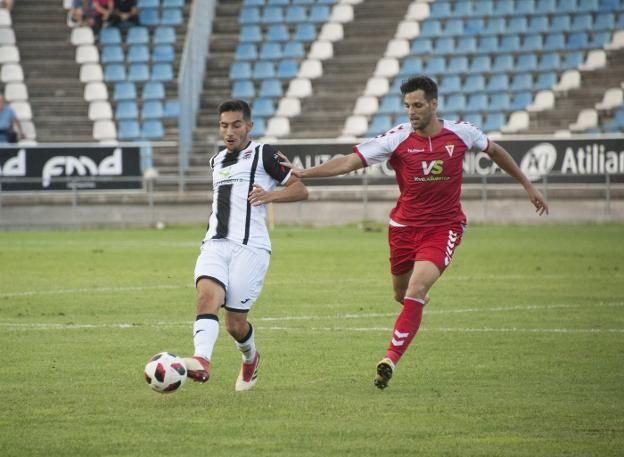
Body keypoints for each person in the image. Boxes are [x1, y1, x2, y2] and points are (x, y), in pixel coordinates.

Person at [279, 75, 549, 390]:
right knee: (400, 293)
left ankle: (389, 359)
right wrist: (305, 172)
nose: (412, 111)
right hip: (403, 229)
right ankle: (414, 304)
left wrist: (527, 185)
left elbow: (495, 150)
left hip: (443, 227)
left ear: (434, 104)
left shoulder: (461, 134)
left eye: (418, 105)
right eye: (407, 105)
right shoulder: (396, 139)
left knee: (415, 290)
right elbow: (349, 162)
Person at [182, 99, 308, 392]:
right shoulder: (216, 161)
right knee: (205, 299)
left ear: (248, 126)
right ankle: (202, 360)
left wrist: (270, 196)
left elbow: (301, 189)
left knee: (235, 324)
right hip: (215, 243)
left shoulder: (264, 154)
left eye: (236, 125)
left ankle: (251, 358)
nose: (229, 131)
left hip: (251, 249)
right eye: (224, 125)